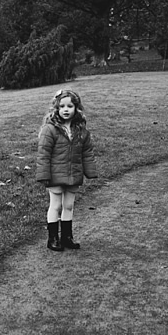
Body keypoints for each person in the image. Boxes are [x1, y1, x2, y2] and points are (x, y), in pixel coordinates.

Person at [35, 87, 98, 251]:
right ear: (56, 108)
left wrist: (90, 171)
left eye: (69, 106)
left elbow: (87, 152)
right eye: (62, 106)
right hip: (55, 176)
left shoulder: (81, 130)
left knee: (69, 206)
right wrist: (44, 175)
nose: (65, 110)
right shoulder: (50, 129)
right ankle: (53, 238)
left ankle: (67, 237)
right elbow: (43, 154)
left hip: (73, 175)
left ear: (76, 108)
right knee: (55, 206)